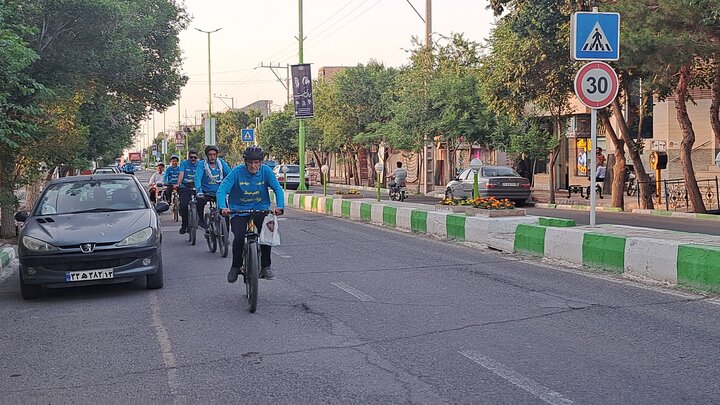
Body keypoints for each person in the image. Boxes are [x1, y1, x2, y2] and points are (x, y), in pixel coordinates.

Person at [218, 146, 284, 282]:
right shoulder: (236, 172)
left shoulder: (266, 171)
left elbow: (277, 188)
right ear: (245, 162)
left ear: (261, 162)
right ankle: (235, 267)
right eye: (250, 163)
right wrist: (223, 207)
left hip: (261, 209)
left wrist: (280, 206)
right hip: (238, 210)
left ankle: (266, 266)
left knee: (266, 236)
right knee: (239, 237)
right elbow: (222, 190)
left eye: (256, 163)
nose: (253, 166)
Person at [195, 145, 232, 229]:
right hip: (205, 192)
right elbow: (197, 178)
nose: (212, 157)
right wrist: (199, 191)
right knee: (199, 202)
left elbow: (230, 175)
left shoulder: (221, 163)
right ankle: (201, 220)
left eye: (214, 154)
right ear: (207, 156)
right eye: (210, 155)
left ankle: (225, 233)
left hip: (219, 192)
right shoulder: (202, 164)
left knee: (225, 211)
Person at [175, 149, 199, 234]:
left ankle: (199, 219)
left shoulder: (200, 164)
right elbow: (181, 174)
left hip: (197, 187)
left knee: (201, 203)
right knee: (183, 206)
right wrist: (178, 183)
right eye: (191, 157)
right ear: (188, 157)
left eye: (194, 157)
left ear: (197, 158)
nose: (193, 159)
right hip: (185, 186)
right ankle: (184, 224)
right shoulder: (184, 163)